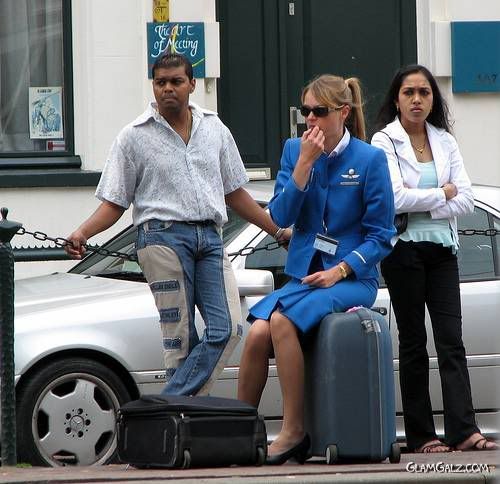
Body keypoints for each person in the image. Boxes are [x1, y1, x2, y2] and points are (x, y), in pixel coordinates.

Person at [65, 53, 289, 397]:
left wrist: (275, 230)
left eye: (176, 81)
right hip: (161, 239)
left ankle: (169, 406)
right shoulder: (133, 136)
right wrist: (82, 232)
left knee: (227, 329)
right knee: (180, 337)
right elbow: (115, 202)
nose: (168, 89)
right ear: (153, 86)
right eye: (160, 82)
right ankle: (184, 424)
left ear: (192, 84)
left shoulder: (214, 128)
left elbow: (235, 193)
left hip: (211, 239)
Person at [237, 74, 396, 464]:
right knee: (256, 332)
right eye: (305, 111)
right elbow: (279, 215)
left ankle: (294, 431)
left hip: (351, 280)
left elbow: (382, 236)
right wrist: (303, 166)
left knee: (280, 323)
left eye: (319, 111)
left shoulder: (369, 159)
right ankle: (239, 431)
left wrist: (340, 270)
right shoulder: (295, 151)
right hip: (305, 277)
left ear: (342, 112)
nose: (310, 119)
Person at [371, 64, 498, 453]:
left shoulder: (445, 140)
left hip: (443, 251)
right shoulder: (384, 141)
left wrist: (430, 196)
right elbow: (395, 199)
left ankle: (464, 430)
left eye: (424, 93)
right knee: (412, 342)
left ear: (433, 99)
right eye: (409, 92)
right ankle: (422, 435)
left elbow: (465, 199)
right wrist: (441, 194)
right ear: (396, 98)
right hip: (403, 251)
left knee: (451, 341)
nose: (417, 99)